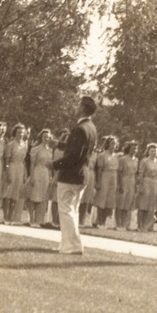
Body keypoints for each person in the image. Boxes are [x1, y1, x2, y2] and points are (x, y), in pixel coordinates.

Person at [51, 96, 99, 255]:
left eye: (78, 105)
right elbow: (78, 149)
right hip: (81, 175)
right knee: (72, 210)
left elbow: (73, 156)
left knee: (66, 210)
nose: (75, 107)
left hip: (71, 174)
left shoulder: (79, 128)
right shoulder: (90, 127)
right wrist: (59, 145)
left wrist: (54, 164)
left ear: (82, 108)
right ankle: (70, 245)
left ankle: (71, 246)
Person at [26, 129, 55, 227]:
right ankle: (31, 218)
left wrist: (51, 177)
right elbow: (32, 164)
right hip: (37, 172)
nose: (46, 139)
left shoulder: (51, 151)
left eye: (48, 137)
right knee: (34, 196)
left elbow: (51, 166)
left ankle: (39, 219)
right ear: (41, 138)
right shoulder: (36, 149)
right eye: (44, 137)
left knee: (43, 197)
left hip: (46, 174)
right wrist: (32, 176)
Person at [2, 123, 29, 224]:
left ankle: (11, 217)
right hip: (12, 167)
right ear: (15, 133)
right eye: (18, 132)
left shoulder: (24, 145)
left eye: (22, 133)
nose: (20, 134)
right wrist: (8, 172)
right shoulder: (10, 144)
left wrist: (25, 174)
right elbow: (7, 161)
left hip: (20, 168)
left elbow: (24, 161)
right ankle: (5, 217)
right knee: (8, 193)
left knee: (15, 194)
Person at [92, 136, 119, 230]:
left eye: (115, 144)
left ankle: (103, 222)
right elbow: (99, 170)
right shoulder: (102, 155)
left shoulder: (116, 156)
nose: (113, 146)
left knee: (110, 200)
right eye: (112, 143)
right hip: (105, 176)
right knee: (102, 199)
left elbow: (118, 170)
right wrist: (98, 182)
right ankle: (99, 221)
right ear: (108, 144)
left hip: (113, 177)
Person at [136, 143, 157, 232]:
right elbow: (141, 174)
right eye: (152, 151)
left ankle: (148, 226)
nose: (154, 153)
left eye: (155, 151)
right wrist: (141, 186)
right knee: (143, 205)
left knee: (152, 206)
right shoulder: (144, 161)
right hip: (146, 182)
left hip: (154, 183)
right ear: (148, 152)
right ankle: (140, 226)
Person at [115, 141, 139, 231]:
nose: (135, 150)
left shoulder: (136, 160)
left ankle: (124, 224)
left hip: (132, 181)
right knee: (121, 202)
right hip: (124, 180)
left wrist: (136, 184)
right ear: (128, 149)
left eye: (136, 148)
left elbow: (136, 174)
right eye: (133, 148)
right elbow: (119, 172)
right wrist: (120, 184)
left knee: (128, 204)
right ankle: (118, 223)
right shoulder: (123, 159)